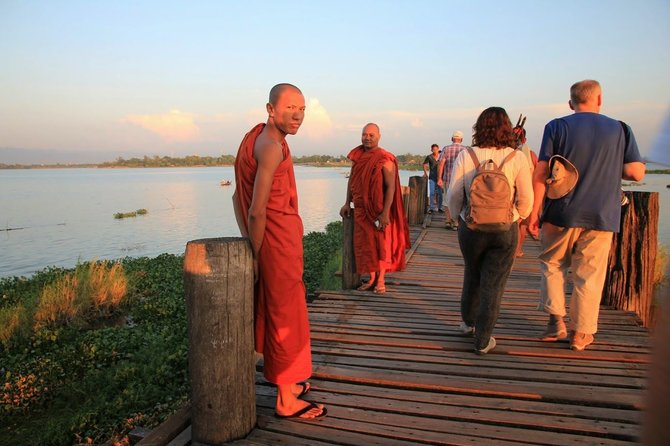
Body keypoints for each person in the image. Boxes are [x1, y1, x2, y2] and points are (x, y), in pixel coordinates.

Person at [527, 80, 646, 351]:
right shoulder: (620, 129)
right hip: (602, 212)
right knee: (589, 274)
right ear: (600, 99)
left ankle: (555, 321)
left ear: (571, 103)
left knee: (553, 264)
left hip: (560, 210)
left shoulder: (556, 126)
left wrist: (534, 212)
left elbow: (541, 172)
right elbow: (636, 173)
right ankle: (581, 334)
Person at [232, 83, 326, 419]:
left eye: (302, 109)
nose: (298, 114)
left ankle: (286, 380)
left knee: (279, 311)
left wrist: (248, 245)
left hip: (274, 241)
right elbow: (257, 210)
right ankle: (287, 399)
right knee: (287, 316)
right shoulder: (271, 145)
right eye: (290, 108)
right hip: (275, 244)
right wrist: (256, 254)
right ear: (270, 109)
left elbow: (235, 200)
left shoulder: (255, 139)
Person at [447, 107, 533, 354]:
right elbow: (527, 200)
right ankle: (483, 340)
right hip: (505, 230)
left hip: (471, 227)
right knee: (494, 283)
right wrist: (514, 217)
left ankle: (467, 323)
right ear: (508, 128)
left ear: (479, 127)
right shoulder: (517, 157)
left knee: (472, 273)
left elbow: (454, 193)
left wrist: (459, 218)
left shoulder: (468, 155)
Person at [339, 123, 410, 294]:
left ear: (379, 136)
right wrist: (347, 202)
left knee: (380, 244)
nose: (367, 138)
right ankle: (371, 278)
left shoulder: (385, 158)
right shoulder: (358, 156)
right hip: (361, 209)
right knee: (364, 245)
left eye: (371, 135)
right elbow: (352, 181)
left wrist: (385, 213)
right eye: (365, 134)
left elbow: (391, 187)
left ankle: (380, 280)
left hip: (377, 210)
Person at [514, 127, 538, 257]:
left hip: (513, 194)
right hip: (528, 193)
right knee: (522, 224)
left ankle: (511, 249)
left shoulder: (510, 154)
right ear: (525, 139)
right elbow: (539, 175)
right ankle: (518, 249)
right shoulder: (532, 155)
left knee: (513, 224)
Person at [438, 130, 466, 230]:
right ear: (461, 139)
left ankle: (448, 221)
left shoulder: (446, 149)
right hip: (461, 180)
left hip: (447, 178)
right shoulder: (465, 150)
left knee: (446, 199)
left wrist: (439, 178)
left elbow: (441, 164)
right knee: (460, 200)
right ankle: (456, 222)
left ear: (452, 139)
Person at [422, 143, 444, 213]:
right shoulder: (429, 157)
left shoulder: (441, 156)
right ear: (431, 150)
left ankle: (440, 207)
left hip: (440, 178)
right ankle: (431, 208)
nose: (435, 150)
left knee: (440, 193)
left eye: (436, 149)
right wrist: (425, 173)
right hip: (432, 177)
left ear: (438, 149)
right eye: (433, 149)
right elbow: (424, 164)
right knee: (431, 193)